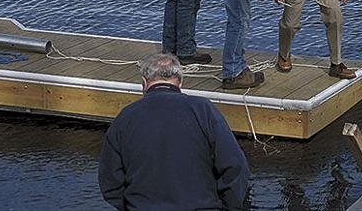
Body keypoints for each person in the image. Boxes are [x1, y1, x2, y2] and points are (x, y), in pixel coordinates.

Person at [98, 52, 249, 211]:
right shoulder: (203, 110)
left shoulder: (126, 117)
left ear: (144, 82)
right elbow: (235, 166)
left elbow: (110, 182)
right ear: (180, 82)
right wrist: (229, 206)